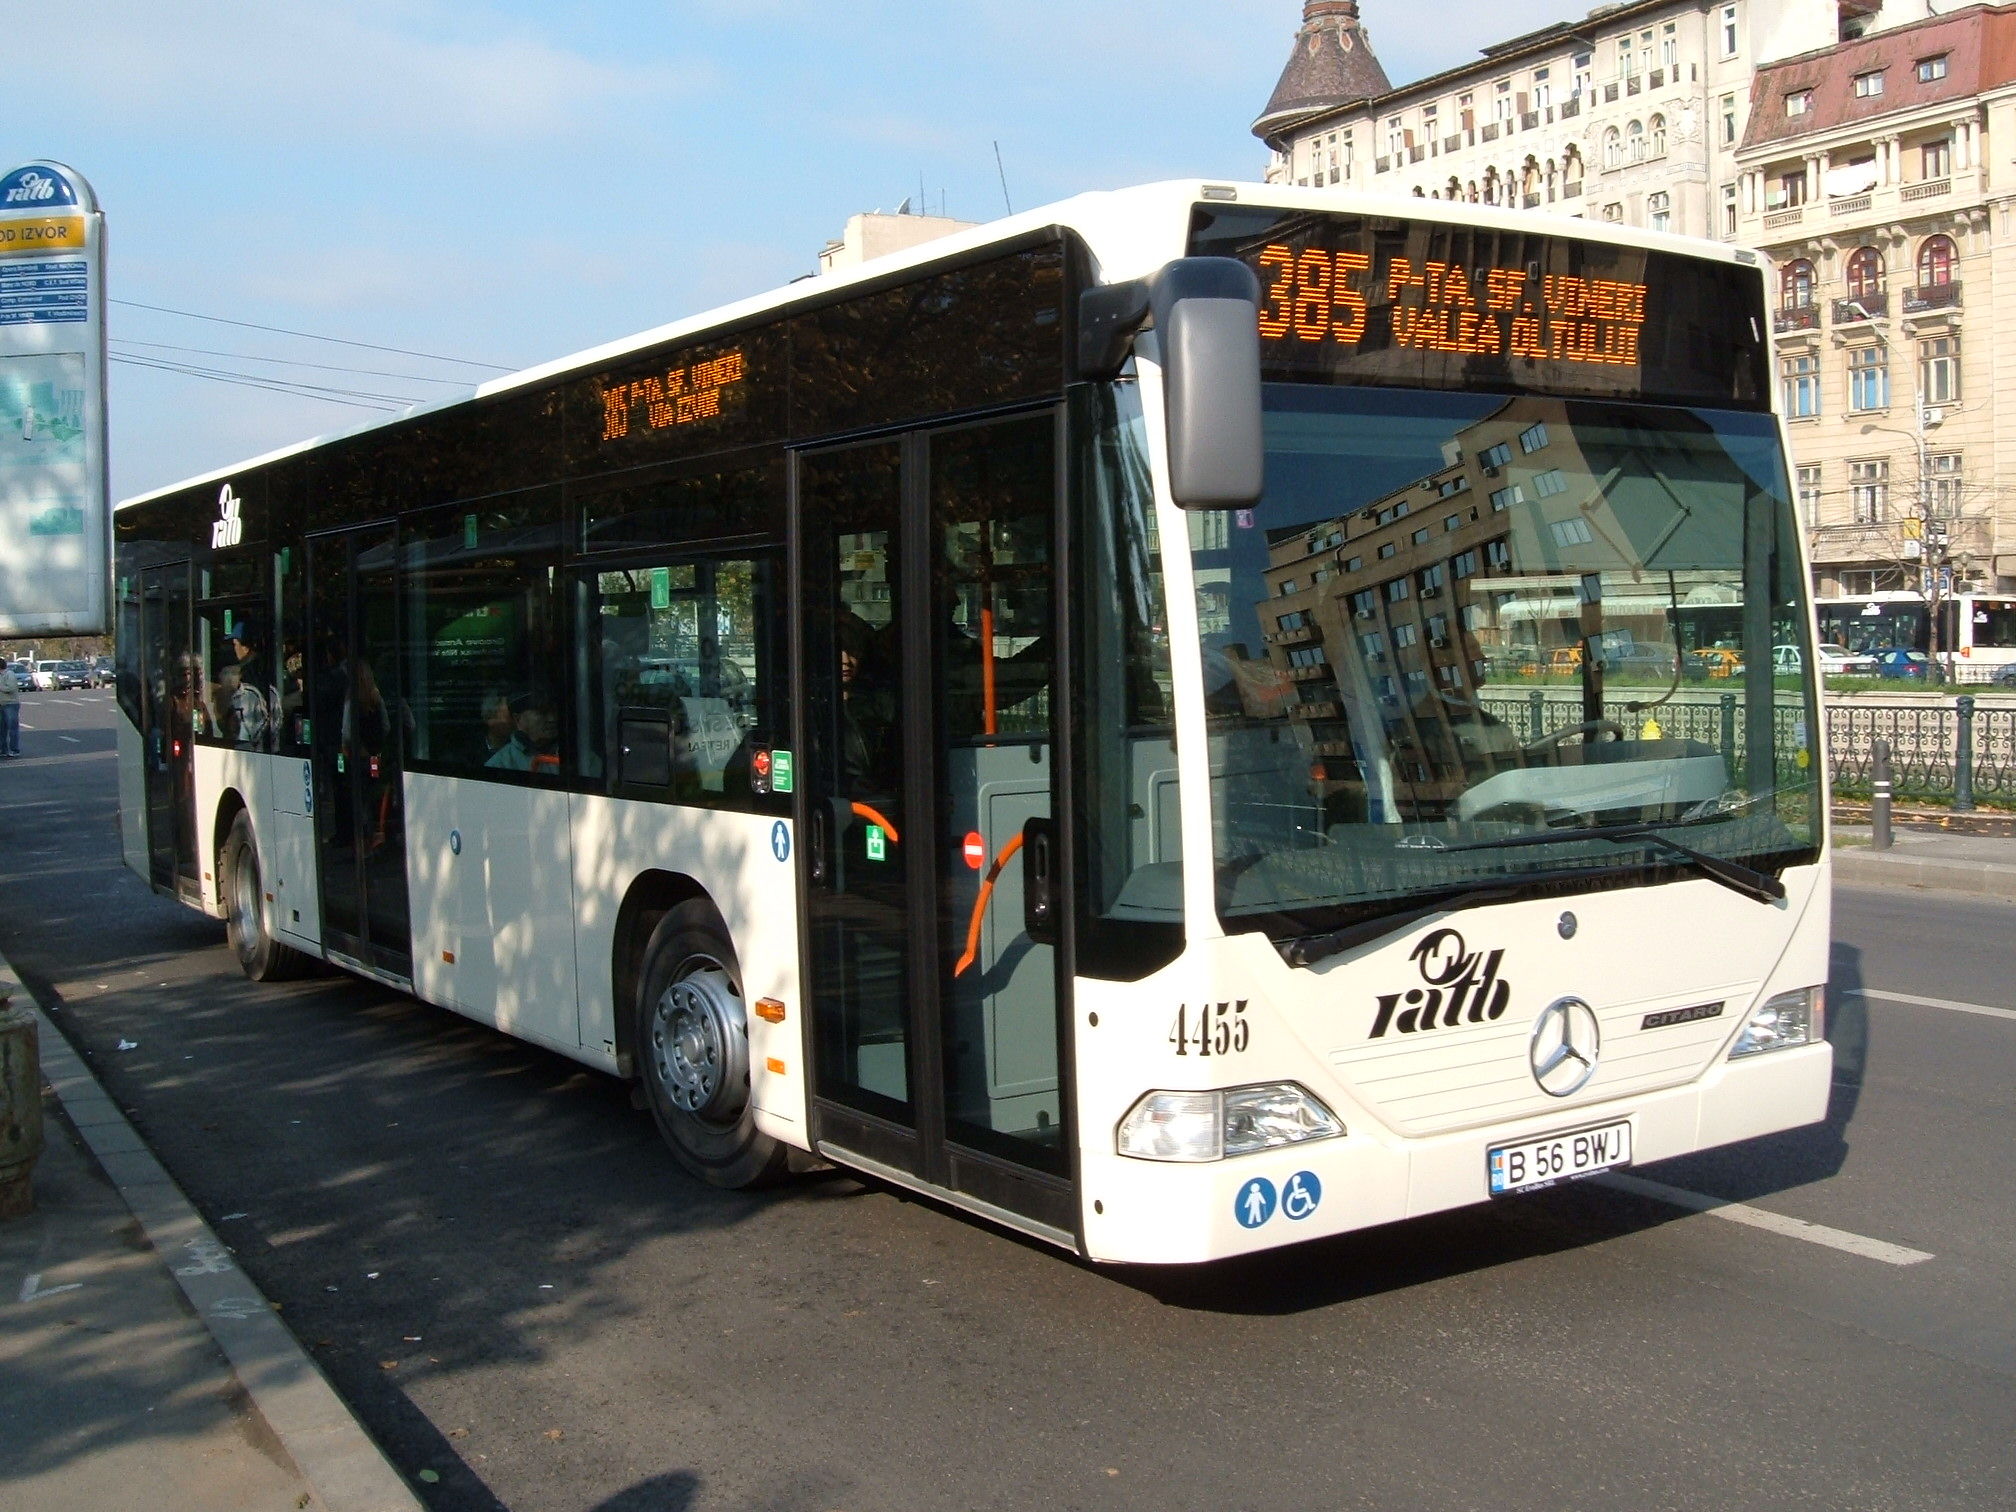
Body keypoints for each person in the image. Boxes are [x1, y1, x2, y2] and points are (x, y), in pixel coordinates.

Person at [0, 661, 20, 757]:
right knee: (1, 729)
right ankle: (3, 750)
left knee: (12, 728)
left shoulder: (9, 674)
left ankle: (14, 749)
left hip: (10, 704)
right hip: (1, 704)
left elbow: (11, 688)